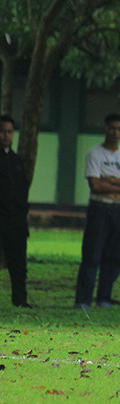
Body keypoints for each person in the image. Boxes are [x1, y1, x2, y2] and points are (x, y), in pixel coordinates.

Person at [73, 113, 120, 310]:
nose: (115, 133)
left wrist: (111, 180)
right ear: (104, 129)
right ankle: (83, 300)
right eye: (112, 128)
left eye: (119, 129)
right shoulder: (95, 154)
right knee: (92, 255)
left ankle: (104, 299)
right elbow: (95, 186)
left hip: (119, 210)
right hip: (99, 209)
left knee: (113, 257)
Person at [0, 115, 32, 308]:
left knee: (18, 263)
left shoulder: (16, 161)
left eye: (9, 132)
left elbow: (22, 189)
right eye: (2, 131)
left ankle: (20, 299)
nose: (5, 135)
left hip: (15, 221)